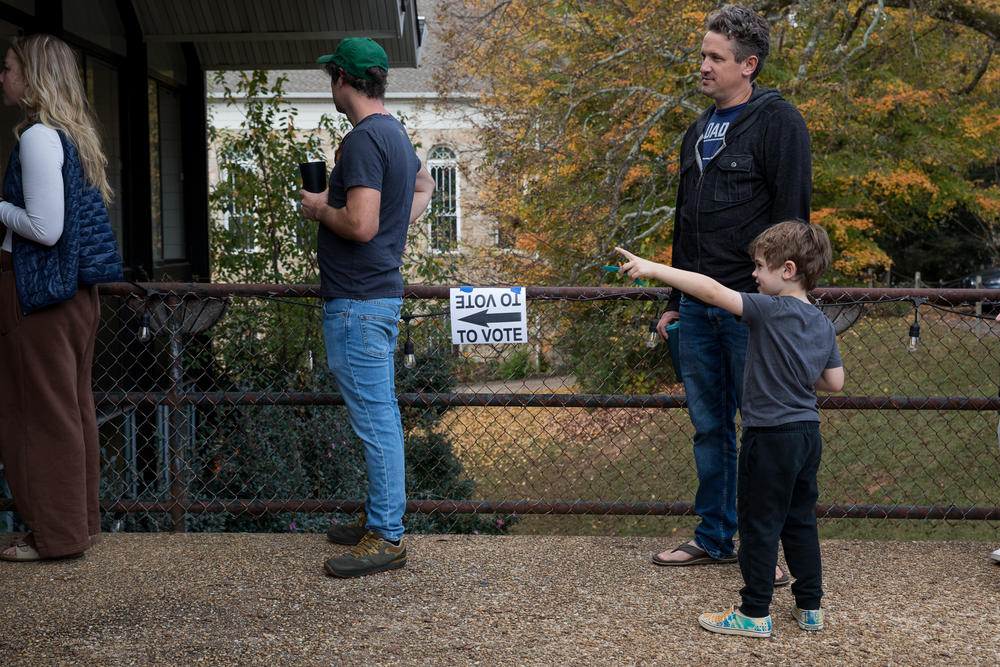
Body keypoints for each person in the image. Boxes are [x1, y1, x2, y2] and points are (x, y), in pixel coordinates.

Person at [617, 220, 843, 637]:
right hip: (808, 435)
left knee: (758, 524)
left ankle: (754, 613)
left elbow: (712, 291)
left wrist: (653, 268)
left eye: (759, 267)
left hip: (769, 436)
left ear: (787, 270)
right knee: (800, 521)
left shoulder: (769, 310)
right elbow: (833, 383)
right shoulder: (822, 322)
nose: (753, 275)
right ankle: (810, 607)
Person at [652, 5, 812, 587]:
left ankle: (762, 547)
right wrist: (669, 299)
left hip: (751, 307)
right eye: (702, 55)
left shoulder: (779, 122)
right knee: (708, 426)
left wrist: (787, 301)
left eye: (715, 58)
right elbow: (683, 221)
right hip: (696, 305)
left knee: (763, 430)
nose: (703, 66)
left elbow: (794, 220)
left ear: (748, 65)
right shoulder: (696, 130)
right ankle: (715, 538)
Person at [299, 38, 434, 578]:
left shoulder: (361, 141)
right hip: (375, 297)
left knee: (377, 424)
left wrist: (317, 207)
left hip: (357, 302)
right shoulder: (394, 135)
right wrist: (399, 222)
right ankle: (381, 519)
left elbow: (360, 224)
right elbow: (423, 185)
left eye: (330, 76)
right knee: (379, 419)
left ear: (341, 80)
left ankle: (388, 535)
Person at [0, 34, 122, 561]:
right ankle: (77, 527)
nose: (1, 77)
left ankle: (53, 536)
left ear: (32, 76)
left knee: (37, 415)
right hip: (72, 294)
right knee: (70, 408)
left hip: (37, 292)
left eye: (6, 67)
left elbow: (45, 228)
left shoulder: (37, 138)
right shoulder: (72, 135)